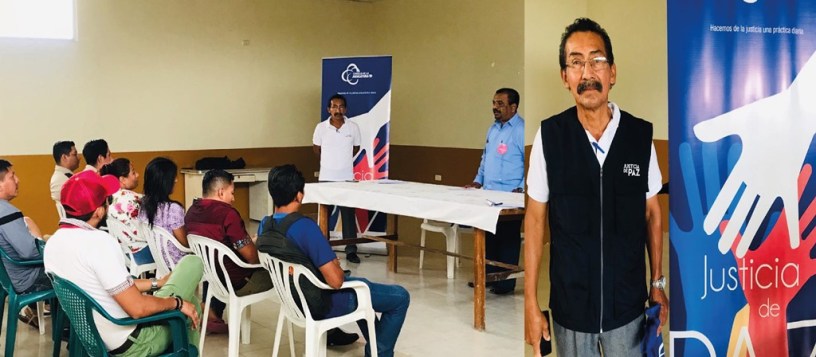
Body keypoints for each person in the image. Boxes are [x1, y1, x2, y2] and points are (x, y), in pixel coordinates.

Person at [523, 18, 667, 356]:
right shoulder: (550, 138)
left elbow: (652, 215)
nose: (587, 73)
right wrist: (531, 302)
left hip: (628, 309)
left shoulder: (638, 136)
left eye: (596, 60)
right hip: (571, 310)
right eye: (575, 63)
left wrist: (657, 284)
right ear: (565, 77)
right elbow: (533, 221)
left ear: (612, 73)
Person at [44, 170, 203, 356]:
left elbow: (108, 285)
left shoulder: (53, 243)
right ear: (99, 211)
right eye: (108, 201)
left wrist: (157, 283)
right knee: (192, 263)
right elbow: (138, 308)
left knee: (190, 303)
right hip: (135, 343)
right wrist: (177, 303)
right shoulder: (99, 243)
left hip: (97, 339)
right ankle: (189, 352)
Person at [258, 164, 410, 357]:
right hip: (321, 302)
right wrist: (334, 263)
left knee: (364, 291)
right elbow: (336, 281)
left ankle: (376, 351)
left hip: (293, 300)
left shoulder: (265, 224)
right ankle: (379, 353)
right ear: (299, 195)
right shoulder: (305, 227)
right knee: (400, 297)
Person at [184, 169, 273, 333]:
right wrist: (257, 250)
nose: (233, 198)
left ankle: (209, 309)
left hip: (210, 277)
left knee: (222, 260)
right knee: (278, 274)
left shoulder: (192, 211)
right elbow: (251, 257)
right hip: (236, 281)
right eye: (232, 193)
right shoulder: (227, 214)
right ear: (220, 192)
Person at [464, 87, 525, 295]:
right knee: (488, 237)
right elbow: (485, 158)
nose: (495, 108)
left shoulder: (521, 130)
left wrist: (523, 186)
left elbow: (530, 161)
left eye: (500, 104)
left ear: (513, 107)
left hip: (510, 196)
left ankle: (505, 283)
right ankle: (487, 277)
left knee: (507, 239)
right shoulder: (493, 129)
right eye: (494, 103)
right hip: (488, 194)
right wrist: (477, 181)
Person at [312, 93, 363, 263]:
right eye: (334, 106)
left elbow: (356, 148)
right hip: (326, 177)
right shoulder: (320, 128)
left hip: (346, 178)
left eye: (341, 107)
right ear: (328, 109)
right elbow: (316, 149)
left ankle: (351, 250)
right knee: (324, 214)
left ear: (345, 109)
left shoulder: (353, 127)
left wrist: (343, 163)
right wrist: (330, 163)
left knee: (348, 214)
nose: (337, 110)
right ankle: (324, 249)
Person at [0, 159, 48, 329]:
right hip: (28, 279)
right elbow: (29, 252)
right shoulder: (7, 212)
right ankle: (70, 331)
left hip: (7, 278)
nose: (18, 180)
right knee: (74, 275)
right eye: (12, 176)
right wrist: (41, 241)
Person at [139, 157, 189, 267]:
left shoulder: (144, 205)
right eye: (173, 177)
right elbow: (185, 243)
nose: (176, 180)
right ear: (164, 180)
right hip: (178, 264)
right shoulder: (173, 208)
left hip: (160, 261)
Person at [100, 158, 152, 265]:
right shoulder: (134, 199)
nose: (137, 175)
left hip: (123, 253)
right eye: (133, 172)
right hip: (141, 253)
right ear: (122, 179)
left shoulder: (107, 198)